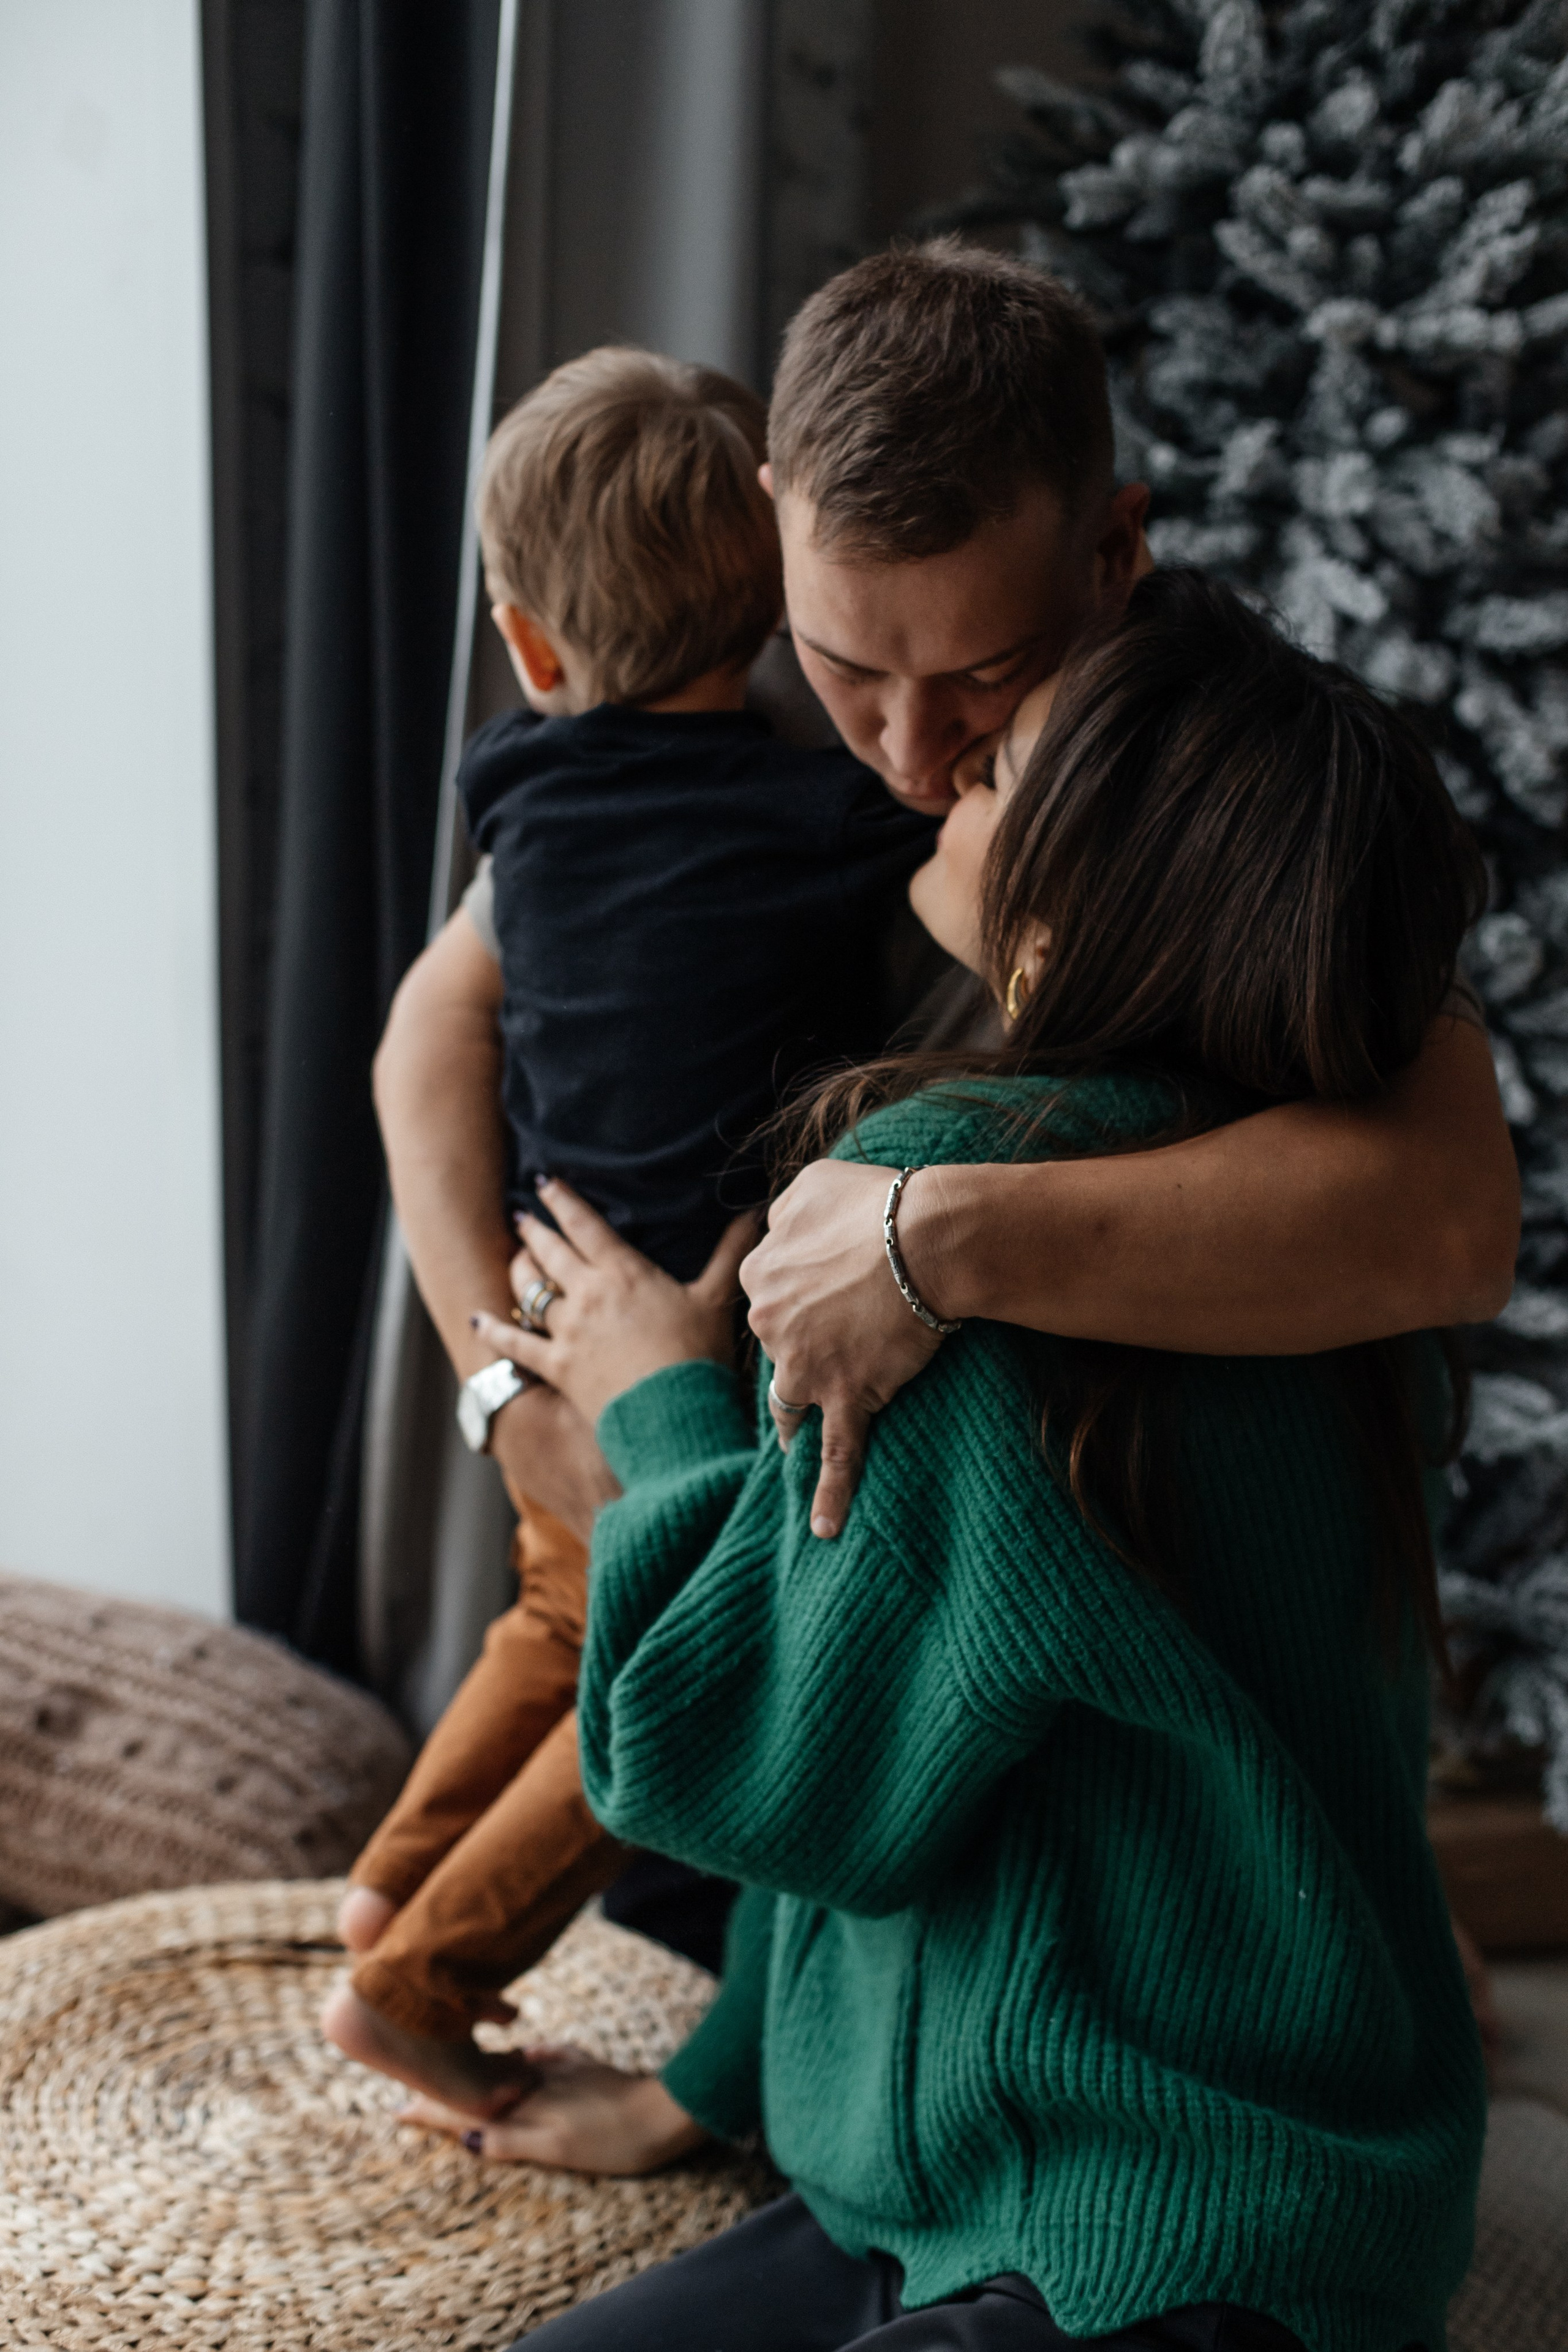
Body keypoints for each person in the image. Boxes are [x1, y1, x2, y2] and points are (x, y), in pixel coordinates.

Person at [443, 568, 1490, 2350]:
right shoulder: (1310, 1216)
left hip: (1152, 2238)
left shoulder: (926, 1250)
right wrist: (711, 2087)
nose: (933, 770)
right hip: (996, 2197)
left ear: (1072, 929)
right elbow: (908, 1772)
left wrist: (658, 1406)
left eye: (998, 759)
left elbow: (734, 1759)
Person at [373, 238, 1516, 1568]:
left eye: (989, 673)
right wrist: (507, 1403)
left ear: (1111, 552)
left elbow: (1447, 1218)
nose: (908, 755)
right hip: (654, 1458)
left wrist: (928, 1241)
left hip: (964, 1530)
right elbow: (431, 1033)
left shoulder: (1206, 773)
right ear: (768, 525)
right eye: (846, 664)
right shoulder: (698, 696)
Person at [323, 347, 933, 2118]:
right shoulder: (830, 817)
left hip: (540, 1308)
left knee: (550, 1615)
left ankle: (396, 1875)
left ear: (525, 641)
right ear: (781, 597)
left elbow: (443, 1031)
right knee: (660, 1678)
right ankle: (422, 1980)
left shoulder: (516, 802)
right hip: (697, 1351)